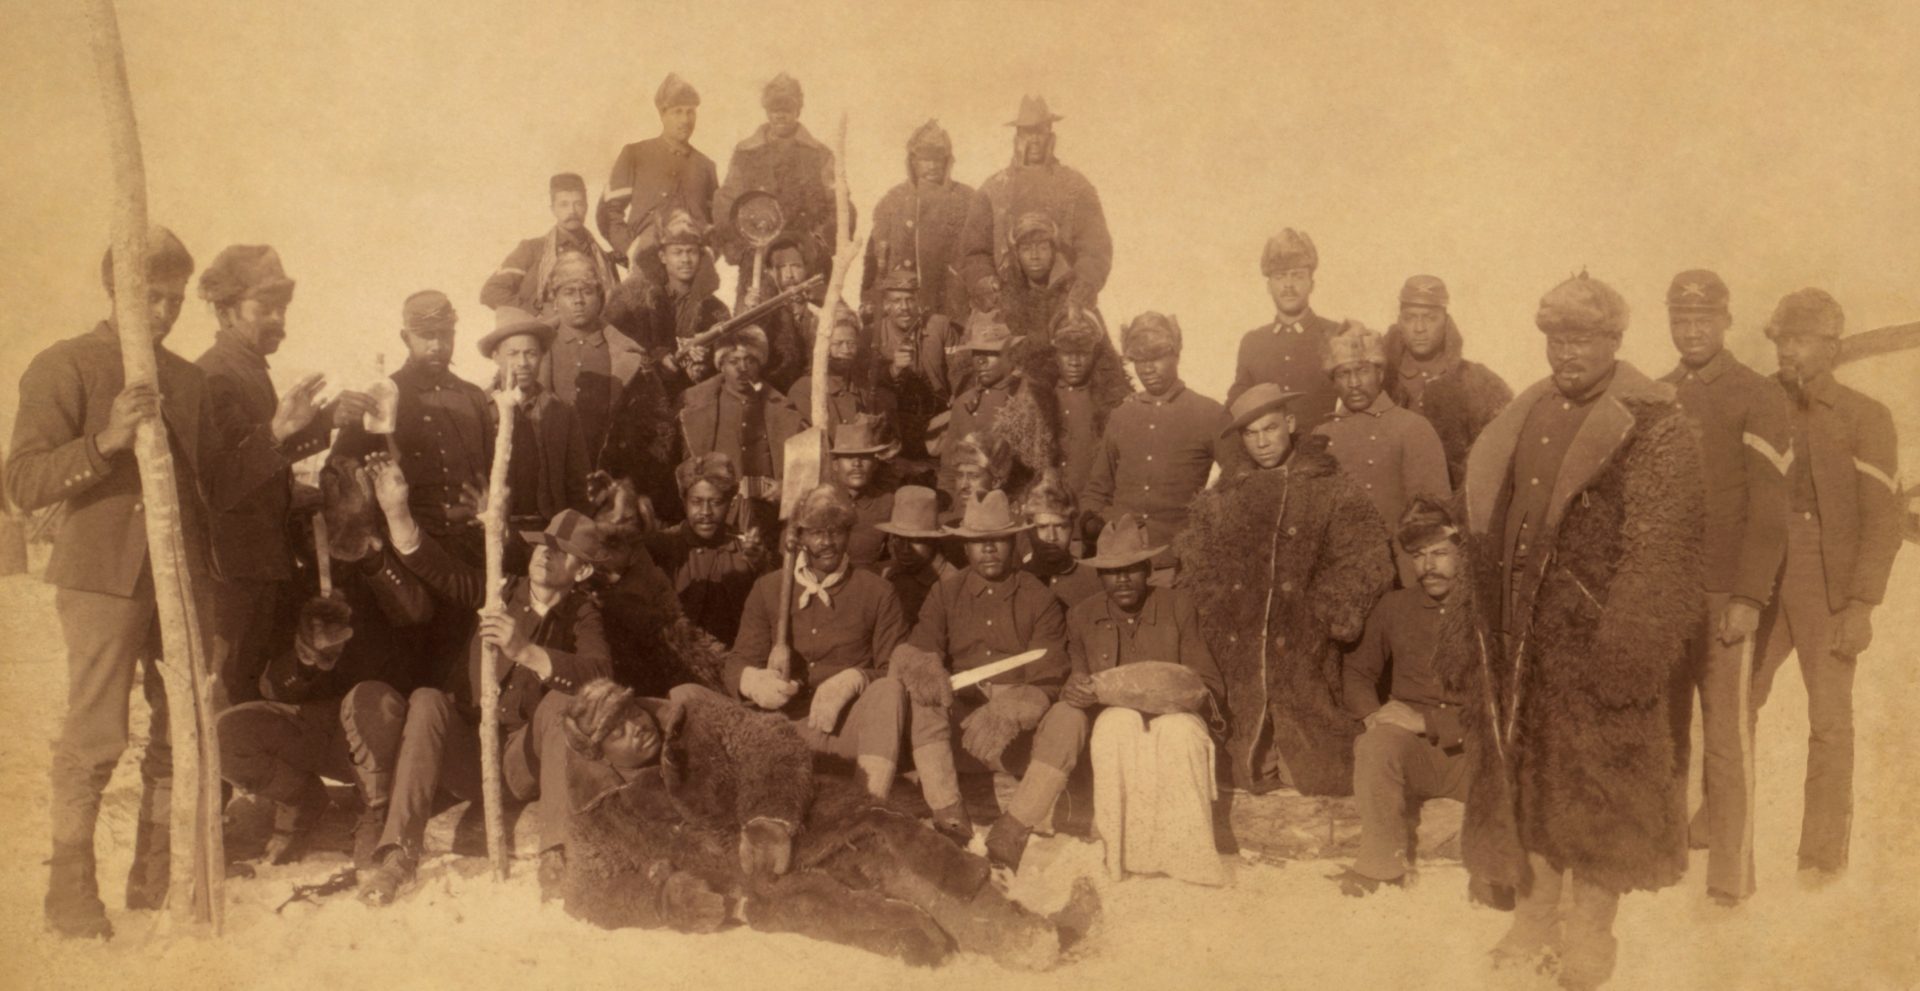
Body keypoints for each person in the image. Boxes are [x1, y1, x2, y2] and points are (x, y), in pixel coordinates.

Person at [7, 229, 326, 936]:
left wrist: (277, 434)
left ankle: (156, 879)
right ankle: (71, 896)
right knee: (97, 732)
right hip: (103, 579)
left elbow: (219, 485)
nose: (162, 313)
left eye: (174, 300)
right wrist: (104, 442)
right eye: (149, 298)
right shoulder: (67, 365)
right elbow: (21, 482)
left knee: (182, 726)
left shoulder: (186, 380)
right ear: (114, 292)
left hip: (182, 578)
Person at [1440, 273, 1703, 990]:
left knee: (1601, 786)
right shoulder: (1525, 414)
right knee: (1528, 775)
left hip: (1601, 639)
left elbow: (1661, 547)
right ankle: (1533, 914)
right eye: (1556, 337)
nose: (1567, 352)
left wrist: (1629, 647)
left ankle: (1590, 931)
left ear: (1614, 341)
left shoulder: (1654, 424)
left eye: (1582, 338)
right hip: (1521, 636)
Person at [559, 679, 1094, 970]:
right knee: (889, 926)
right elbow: (588, 893)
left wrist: (770, 818)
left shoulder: (690, 715)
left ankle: (1021, 932)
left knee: (907, 852)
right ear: (598, 750)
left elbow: (771, 742)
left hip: (815, 822)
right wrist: (665, 899)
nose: (635, 729)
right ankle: (953, 942)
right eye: (617, 732)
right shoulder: (600, 807)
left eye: (631, 713)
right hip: (761, 889)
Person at [360, 462, 613, 906]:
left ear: (583, 572)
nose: (544, 554)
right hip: (468, 756)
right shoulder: (502, 588)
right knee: (427, 700)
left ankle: (556, 852)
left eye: (561, 551)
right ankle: (398, 853)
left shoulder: (583, 615)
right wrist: (397, 513)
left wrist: (528, 653)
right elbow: (441, 570)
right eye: (542, 545)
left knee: (558, 704)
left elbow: (600, 677)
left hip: (522, 765)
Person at [1176, 383, 1393, 795]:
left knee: (1316, 766)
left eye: (1270, 429)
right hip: (1239, 645)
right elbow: (1198, 562)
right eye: (1251, 434)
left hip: (1304, 643)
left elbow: (1364, 556)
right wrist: (1219, 613)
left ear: (1290, 425)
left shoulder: (1330, 488)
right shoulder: (1223, 499)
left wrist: (1326, 612)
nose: (1262, 442)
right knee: (1246, 753)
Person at [216, 459, 433, 869]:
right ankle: (301, 799)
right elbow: (273, 689)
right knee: (227, 737)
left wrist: (372, 558)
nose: (330, 538)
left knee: (367, 699)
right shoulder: (294, 589)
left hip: (381, 731)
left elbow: (416, 613)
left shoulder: (385, 569)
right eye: (316, 526)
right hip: (317, 731)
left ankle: (376, 811)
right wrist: (307, 656)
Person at [1752, 288, 1900, 884]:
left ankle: (1820, 855)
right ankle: (1715, 826)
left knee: (1830, 718)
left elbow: (1883, 517)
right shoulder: (1760, 403)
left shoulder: (1866, 416)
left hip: (1827, 575)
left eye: (1802, 339)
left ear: (1832, 348)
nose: (1790, 350)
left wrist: (1861, 603)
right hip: (1762, 572)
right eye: (1783, 339)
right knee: (1736, 698)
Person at [1656, 269, 1789, 904]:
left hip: (1725, 596)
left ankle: (1731, 879)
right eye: (1680, 320)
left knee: (1728, 740)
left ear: (1726, 320)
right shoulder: (1657, 394)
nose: (1691, 329)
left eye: (1702, 318)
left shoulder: (1756, 394)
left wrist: (1748, 597)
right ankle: (1667, 858)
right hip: (1667, 594)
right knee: (1667, 730)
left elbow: (1769, 512)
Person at [195, 244, 375, 707]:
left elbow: (261, 458)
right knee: (226, 693)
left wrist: (327, 422)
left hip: (259, 567)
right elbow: (226, 481)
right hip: (231, 572)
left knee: (251, 692)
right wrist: (308, 428)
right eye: (265, 307)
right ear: (225, 310)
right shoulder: (214, 377)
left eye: (282, 308)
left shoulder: (247, 369)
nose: (278, 319)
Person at [887, 491, 1083, 869]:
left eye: (997, 540)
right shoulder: (945, 593)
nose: (988, 549)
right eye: (978, 542)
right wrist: (926, 667)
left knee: (1070, 718)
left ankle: (1012, 831)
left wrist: (1015, 705)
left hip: (1018, 741)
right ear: (965, 546)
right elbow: (923, 647)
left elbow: (1052, 673)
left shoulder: (1038, 597)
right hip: (962, 734)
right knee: (925, 696)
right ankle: (951, 817)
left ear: (1012, 542)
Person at [1063, 514, 1226, 886]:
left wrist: (1175, 695)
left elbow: (1207, 681)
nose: (1122, 579)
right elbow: (1075, 677)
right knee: (1115, 725)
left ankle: (1190, 861)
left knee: (1179, 732)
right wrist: (1072, 690)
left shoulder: (1177, 606)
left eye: (1133, 569)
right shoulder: (1082, 616)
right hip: (1117, 720)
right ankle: (1120, 857)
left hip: (1176, 713)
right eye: (1111, 571)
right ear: (1099, 575)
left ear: (1148, 569)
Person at [725, 485, 911, 799]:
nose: (827, 543)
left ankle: (867, 807)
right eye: (815, 533)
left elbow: (895, 671)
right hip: (783, 732)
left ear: (848, 533)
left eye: (836, 531)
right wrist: (753, 681)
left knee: (889, 690)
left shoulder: (877, 592)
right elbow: (737, 661)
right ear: (798, 537)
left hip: (846, 732)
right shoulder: (768, 589)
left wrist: (856, 679)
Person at [1331, 497, 1472, 896]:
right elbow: (1357, 672)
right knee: (1375, 744)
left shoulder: (1487, 610)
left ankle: (1497, 869)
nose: (1429, 566)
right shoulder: (1395, 606)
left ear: (1463, 552)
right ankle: (1380, 866)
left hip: (1474, 746)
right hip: (1415, 751)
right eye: (1418, 555)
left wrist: (1429, 722)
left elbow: (1509, 702)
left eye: (1441, 553)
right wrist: (1372, 715)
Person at [332, 290, 494, 562]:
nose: (437, 345)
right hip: (406, 550)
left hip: (471, 547)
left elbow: (491, 471)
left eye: (445, 334)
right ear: (406, 338)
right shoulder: (380, 396)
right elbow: (339, 468)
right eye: (426, 335)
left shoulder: (473, 397)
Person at [1080, 313, 1229, 576]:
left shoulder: (1208, 413)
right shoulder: (1121, 416)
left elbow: (1236, 478)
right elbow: (1097, 488)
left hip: (1175, 559)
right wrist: (1092, 523)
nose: (1148, 368)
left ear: (1177, 354)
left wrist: (1207, 520)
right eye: (1139, 360)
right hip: (1119, 560)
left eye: (1157, 357)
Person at [1311, 320, 1450, 586]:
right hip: (1340, 579)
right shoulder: (1322, 435)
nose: (1353, 383)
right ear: (1333, 380)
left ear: (1380, 373)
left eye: (1362, 371)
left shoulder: (1412, 427)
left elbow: (1432, 519)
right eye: (1343, 373)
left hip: (1400, 576)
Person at [959, 95, 1111, 311]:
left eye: (1040, 132)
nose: (1035, 140)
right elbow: (974, 252)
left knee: (1085, 340)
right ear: (1017, 138)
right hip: (1004, 302)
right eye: (1027, 133)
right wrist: (984, 282)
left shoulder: (1076, 187)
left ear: (1051, 136)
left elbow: (1095, 248)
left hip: (1065, 300)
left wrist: (1083, 285)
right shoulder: (992, 189)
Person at [712, 73, 838, 304]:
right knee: (752, 324)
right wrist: (739, 247)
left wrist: (816, 247)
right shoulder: (746, 153)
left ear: (798, 109)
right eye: (774, 108)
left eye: (787, 107)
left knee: (814, 327)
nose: (780, 114)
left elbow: (837, 205)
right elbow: (727, 201)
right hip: (758, 258)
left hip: (805, 261)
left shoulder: (820, 155)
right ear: (766, 110)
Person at [1381, 275, 1512, 486]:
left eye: (1430, 318)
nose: (1419, 328)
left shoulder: (1477, 382)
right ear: (1399, 322)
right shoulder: (1380, 380)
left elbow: (1497, 458)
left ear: (1446, 321)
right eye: (1410, 317)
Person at [676, 326, 803, 535]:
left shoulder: (781, 408)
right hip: (716, 517)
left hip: (767, 516)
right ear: (721, 366)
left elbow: (800, 470)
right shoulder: (696, 407)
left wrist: (786, 489)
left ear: (760, 365)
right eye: (733, 361)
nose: (742, 368)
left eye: (750, 360)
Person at [479, 307, 590, 527]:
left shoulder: (561, 412)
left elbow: (578, 484)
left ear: (541, 356)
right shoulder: (479, 408)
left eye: (530, 353)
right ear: (496, 356)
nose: (522, 362)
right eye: (512, 354)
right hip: (494, 528)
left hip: (546, 529)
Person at [646, 453, 769, 645]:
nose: (705, 512)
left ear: (730, 503)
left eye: (716, 502)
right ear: (684, 501)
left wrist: (761, 566)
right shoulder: (664, 545)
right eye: (696, 502)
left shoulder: (744, 550)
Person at [598, 73, 719, 267]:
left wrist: (710, 253)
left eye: (690, 112)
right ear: (662, 115)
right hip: (647, 260)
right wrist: (630, 248)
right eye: (677, 112)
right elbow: (608, 213)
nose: (685, 120)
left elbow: (717, 223)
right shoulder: (635, 154)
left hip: (692, 265)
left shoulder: (705, 165)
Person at [538, 251, 648, 462]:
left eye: (587, 291)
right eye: (569, 292)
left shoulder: (626, 352)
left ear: (600, 298)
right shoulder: (536, 349)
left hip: (608, 469)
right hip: (548, 467)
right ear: (555, 301)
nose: (578, 300)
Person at [605, 208, 732, 390]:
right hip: (647, 393)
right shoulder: (637, 302)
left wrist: (706, 355)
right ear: (663, 257)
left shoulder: (715, 310)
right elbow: (619, 347)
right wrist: (658, 357)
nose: (685, 259)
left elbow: (727, 361)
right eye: (677, 252)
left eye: (691, 252)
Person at [1228, 228, 1341, 428]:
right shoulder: (1253, 342)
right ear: (1269, 286)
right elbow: (1235, 407)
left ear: (1311, 284)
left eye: (1297, 276)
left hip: (1323, 453)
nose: (1288, 285)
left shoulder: (1335, 335)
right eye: (1280, 277)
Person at [864, 120, 975, 321]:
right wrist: (870, 299)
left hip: (950, 299)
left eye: (938, 159)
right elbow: (874, 260)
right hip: (903, 305)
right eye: (925, 159)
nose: (932, 166)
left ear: (947, 161)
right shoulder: (893, 200)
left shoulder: (966, 199)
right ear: (913, 162)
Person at [481, 173, 620, 316]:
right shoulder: (531, 249)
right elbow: (491, 292)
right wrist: (536, 310)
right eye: (564, 204)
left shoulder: (602, 258)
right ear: (553, 209)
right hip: (543, 330)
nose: (572, 211)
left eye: (578, 203)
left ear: (586, 207)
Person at [870, 266, 962, 463]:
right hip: (897, 423)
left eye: (910, 299)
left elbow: (959, 369)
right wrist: (893, 369)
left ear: (918, 301)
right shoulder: (874, 335)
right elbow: (868, 384)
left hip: (939, 416)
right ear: (886, 305)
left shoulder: (939, 326)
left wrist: (958, 395)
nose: (904, 307)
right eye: (896, 301)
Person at [1050, 309, 1133, 499]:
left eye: (1082, 353)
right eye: (1066, 353)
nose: (1074, 362)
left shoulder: (1112, 402)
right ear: (1055, 355)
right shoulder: (1039, 398)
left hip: (1090, 509)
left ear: (1094, 355)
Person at [787, 304, 898, 433]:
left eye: (851, 343)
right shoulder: (804, 390)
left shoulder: (864, 387)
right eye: (838, 344)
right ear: (820, 345)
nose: (845, 350)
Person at [825, 414, 900, 571]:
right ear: (835, 465)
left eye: (864, 457)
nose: (857, 464)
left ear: (875, 464)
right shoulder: (818, 501)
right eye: (848, 457)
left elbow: (898, 557)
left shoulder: (887, 503)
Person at [875, 485, 955, 626]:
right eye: (898, 539)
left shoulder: (952, 584)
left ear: (934, 540)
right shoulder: (886, 574)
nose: (905, 549)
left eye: (916, 541)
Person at [1020, 474, 1102, 609]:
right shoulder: (1017, 582)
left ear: (1072, 527)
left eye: (1061, 526)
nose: (1051, 537)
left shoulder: (1094, 581)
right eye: (1042, 527)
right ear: (1028, 529)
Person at [997, 213, 1076, 345]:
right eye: (1026, 249)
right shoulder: (1003, 297)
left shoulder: (1073, 293)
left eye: (1043, 248)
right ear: (1017, 255)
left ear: (1053, 252)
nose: (1034, 256)